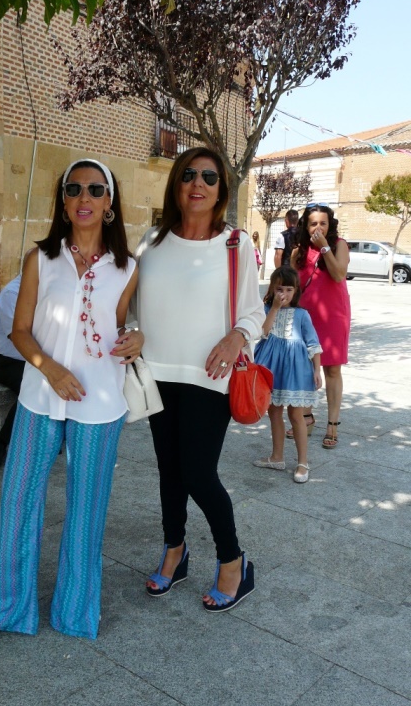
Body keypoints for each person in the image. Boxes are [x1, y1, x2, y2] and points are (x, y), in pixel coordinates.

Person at [0, 158, 143, 641]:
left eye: (95, 190)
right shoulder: (40, 260)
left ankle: (76, 611)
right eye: (74, 189)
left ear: (109, 202)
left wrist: (137, 337)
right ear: (63, 202)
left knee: (87, 512)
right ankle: (7, 608)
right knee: (18, 503)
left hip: (100, 404)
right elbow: (19, 331)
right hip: (38, 400)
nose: (84, 198)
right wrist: (50, 369)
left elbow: (123, 325)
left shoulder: (127, 268)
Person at [135, 146, 264, 612]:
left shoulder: (235, 244)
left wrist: (236, 336)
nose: (198, 183)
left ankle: (233, 561)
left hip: (210, 376)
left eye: (209, 177)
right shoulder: (151, 241)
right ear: (176, 183)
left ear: (221, 190)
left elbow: (254, 311)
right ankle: (175, 551)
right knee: (169, 470)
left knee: (197, 472)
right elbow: (131, 308)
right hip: (157, 373)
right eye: (189, 174)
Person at [252, 266, 323, 483]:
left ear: (296, 291)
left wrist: (317, 370)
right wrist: (274, 308)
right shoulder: (265, 309)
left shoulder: (302, 315)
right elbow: (262, 332)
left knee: (296, 415)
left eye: (289, 289)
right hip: (271, 367)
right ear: (272, 289)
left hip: (295, 368)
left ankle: (303, 462)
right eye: (279, 289)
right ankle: (277, 457)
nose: (283, 293)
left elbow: (313, 343)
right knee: (273, 411)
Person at [289, 203, 350, 448]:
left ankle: (332, 424)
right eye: (313, 223)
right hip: (305, 318)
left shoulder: (339, 245)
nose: (318, 227)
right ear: (305, 225)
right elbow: (292, 286)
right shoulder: (298, 251)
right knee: (304, 368)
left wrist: (324, 247)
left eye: (323, 223)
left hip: (333, 316)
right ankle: (306, 417)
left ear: (329, 225)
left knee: (332, 370)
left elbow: (338, 274)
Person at [0, 274, 26, 470]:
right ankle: (1, 443)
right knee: (35, 389)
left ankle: (54, 437)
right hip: (8, 362)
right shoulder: (12, 293)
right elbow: (18, 337)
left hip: (35, 361)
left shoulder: (44, 290)